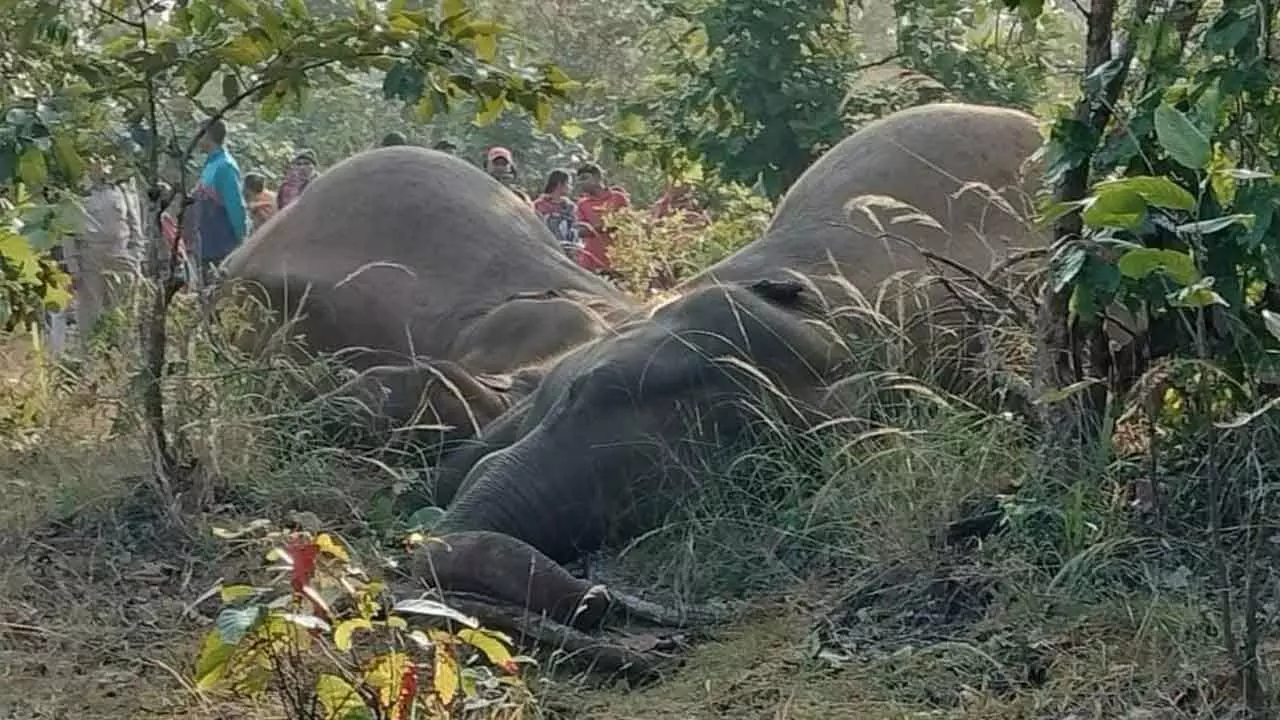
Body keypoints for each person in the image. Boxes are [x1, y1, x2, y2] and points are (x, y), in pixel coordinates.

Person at [68, 160, 145, 342]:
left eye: (104, 160)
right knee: (90, 316)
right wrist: (73, 267)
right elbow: (68, 233)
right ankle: (91, 362)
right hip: (89, 260)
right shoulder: (77, 192)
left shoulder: (123, 189)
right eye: (94, 160)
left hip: (121, 256)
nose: (100, 165)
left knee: (123, 314)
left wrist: (136, 255)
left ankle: (123, 360)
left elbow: (135, 224)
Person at [191, 118, 247, 287]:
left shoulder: (225, 166)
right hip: (207, 243)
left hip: (223, 245)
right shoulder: (210, 165)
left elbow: (236, 207)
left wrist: (242, 240)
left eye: (200, 134)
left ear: (208, 136)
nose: (196, 138)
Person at [574, 162, 630, 279]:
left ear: (597, 177)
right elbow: (581, 231)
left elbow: (627, 224)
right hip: (592, 261)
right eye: (579, 180)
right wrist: (601, 227)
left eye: (585, 178)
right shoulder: (582, 204)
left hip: (618, 259)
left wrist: (604, 227)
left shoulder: (618, 198)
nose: (582, 183)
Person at [533, 169, 582, 258]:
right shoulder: (539, 205)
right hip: (546, 251)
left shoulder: (570, 207)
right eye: (569, 183)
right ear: (559, 184)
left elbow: (574, 229)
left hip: (568, 252)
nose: (570, 187)